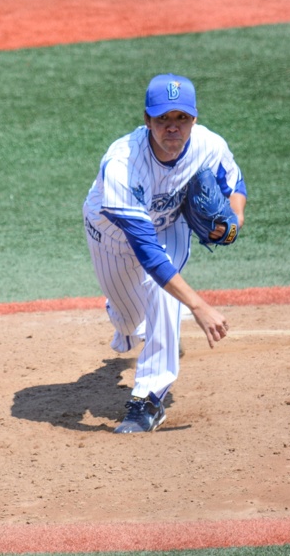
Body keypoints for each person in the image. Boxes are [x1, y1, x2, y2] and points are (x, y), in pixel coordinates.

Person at [82, 73, 247, 433]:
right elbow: (147, 253)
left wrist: (235, 220)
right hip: (112, 237)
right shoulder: (122, 165)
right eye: (163, 119)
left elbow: (233, 181)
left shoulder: (208, 144)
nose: (173, 128)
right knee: (130, 320)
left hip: (169, 226)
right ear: (147, 120)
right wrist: (199, 306)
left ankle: (148, 400)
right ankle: (126, 315)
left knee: (163, 294)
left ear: (194, 119)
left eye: (182, 119)